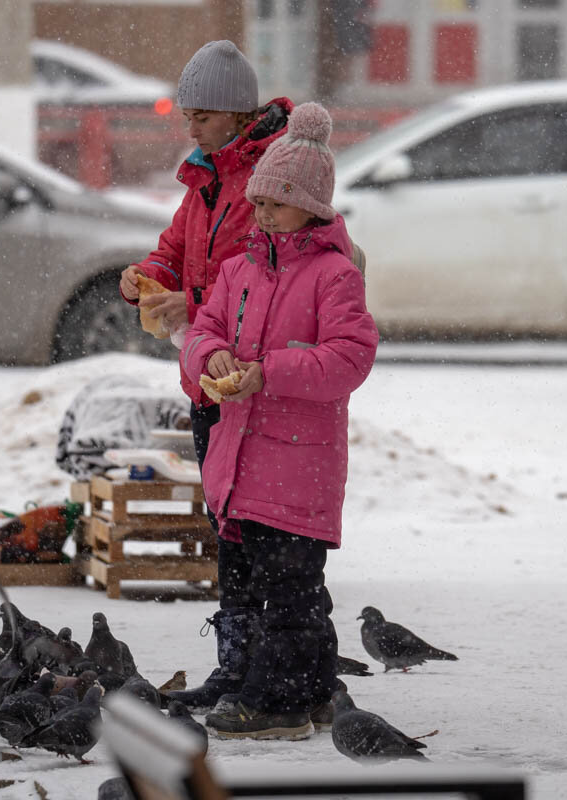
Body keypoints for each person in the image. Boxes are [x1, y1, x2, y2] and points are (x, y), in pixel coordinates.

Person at [179, 102, 379, 739]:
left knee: (289, 593)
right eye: (259, 203)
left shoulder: (333, 276)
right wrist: (211, 360)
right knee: (287, 587)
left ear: (314, 209)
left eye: (276, 204)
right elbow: (202, 330)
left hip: (298, 467)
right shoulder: (238, 271)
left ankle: (280, 705)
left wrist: (270, 370)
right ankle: (316, 690)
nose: (262, 215)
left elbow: (350, 357)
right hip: (244, 462)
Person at [118, 40, 294, 710]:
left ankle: (266, 673)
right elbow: (175, 250)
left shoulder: (264, 183)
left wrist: (186, 305)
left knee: (254, 534)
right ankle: (234, 667)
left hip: (247, 384)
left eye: (199, 116)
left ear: (233, 114)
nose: (187, 127)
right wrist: (148, 277)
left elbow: (259, 279)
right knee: (227, 526)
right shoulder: (204, 180)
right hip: (206, 381)